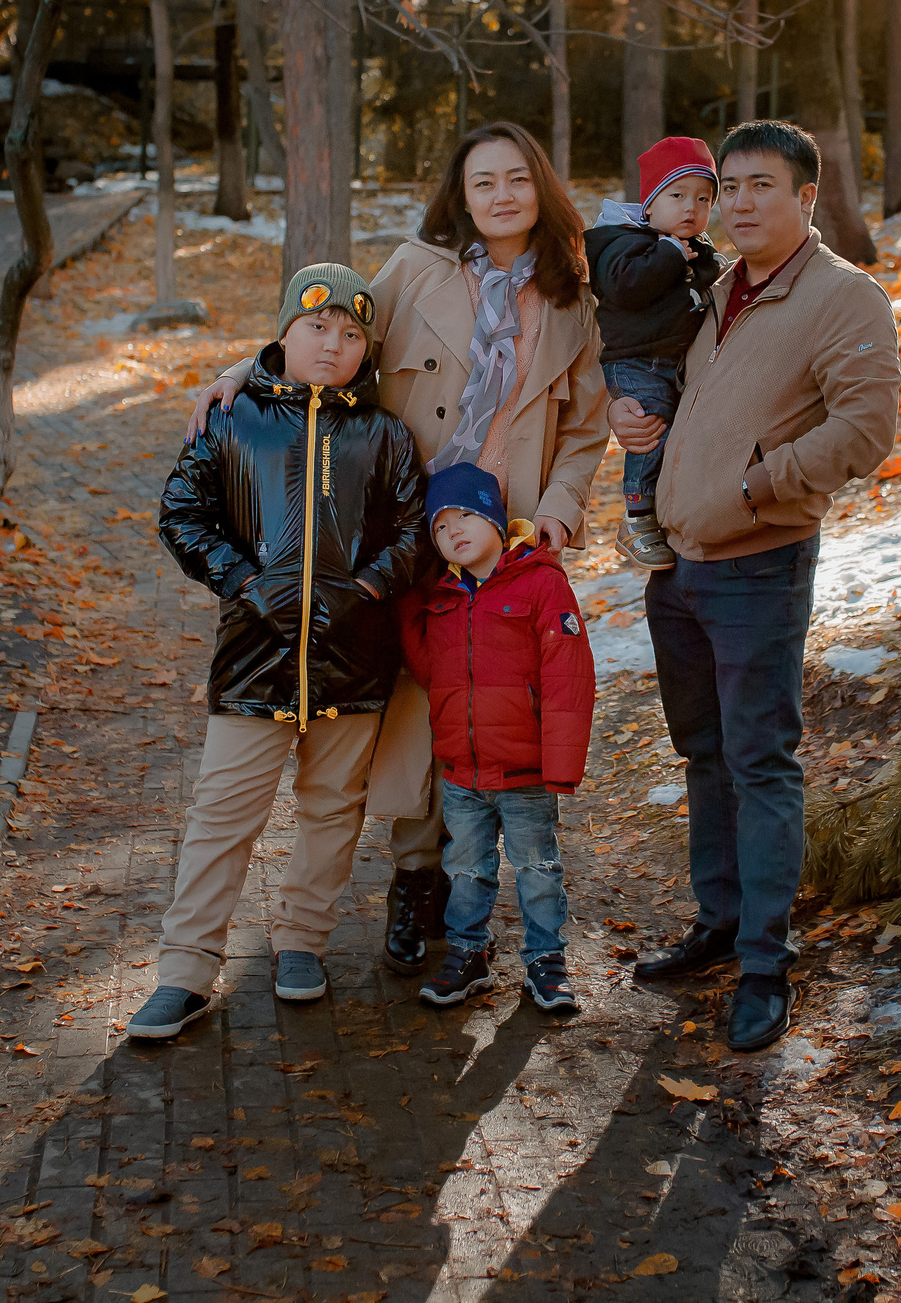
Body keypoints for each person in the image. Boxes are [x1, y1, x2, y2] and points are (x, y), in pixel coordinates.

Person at [183, 122, 611, 978]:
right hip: (401, 527)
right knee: (418, 710)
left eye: (516, 179)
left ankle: (470, 896)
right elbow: (329, 336)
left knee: (489, 707)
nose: (499, 195)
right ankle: (417, 880)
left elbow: (587, 428)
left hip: (503, 537)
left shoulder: (574, 298)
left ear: (542, 188)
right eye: (481, 181)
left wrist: (561, 509)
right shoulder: (417, 269)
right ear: (459, 193)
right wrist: (245, 367)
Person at [612, 119, 900, 1052]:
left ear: (805, 197)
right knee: (704, 755)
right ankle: (720, 923)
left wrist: (754, 483)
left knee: (760, 761)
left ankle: (768, 965)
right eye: (727, 186)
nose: (736, 202)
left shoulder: (844, 298)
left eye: (759, 186)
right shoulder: (716, 287)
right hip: (681, 567)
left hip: (758, 566)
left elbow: (864, 430)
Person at [127, 264, 428, 1040]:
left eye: (351, 334)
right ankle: (186, 969)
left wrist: (363, 588)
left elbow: (414, 533)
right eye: (317, 327)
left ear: (368, 347)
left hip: (353, 659)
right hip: (253, 658)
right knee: (222, 815)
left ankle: (302, 941)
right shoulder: (231, 420)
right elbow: (182, 511)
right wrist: (240, 580)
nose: (332, 345)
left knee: (331, 810)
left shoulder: (385, 433)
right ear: (284, 332)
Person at [396, 463, 594, 1014]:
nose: (453, 531)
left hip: (526, 771)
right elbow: (430, 670)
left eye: (466, 515)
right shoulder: (441, 597)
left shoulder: (541, 582)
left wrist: (561, 763)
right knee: (466, 870)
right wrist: (409, 604)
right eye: (439, 526)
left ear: (496, 518)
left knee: (537, 870)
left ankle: (546, 961)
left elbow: (568, 675)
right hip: (463, 772)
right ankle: (468, 954)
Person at [586, 136, 722, 570]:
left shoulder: (691, 245)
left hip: (673, 362)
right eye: (678, 195)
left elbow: (712, 279)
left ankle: (664, 508)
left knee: (674, 435)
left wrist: (701, 262)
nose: (691, 208)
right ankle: (636, 517)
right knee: (651, 429)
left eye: (703, 199)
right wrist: (667, 253)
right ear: (649, 203)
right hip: (635, 362)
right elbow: (628, 286)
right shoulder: (621, 244)